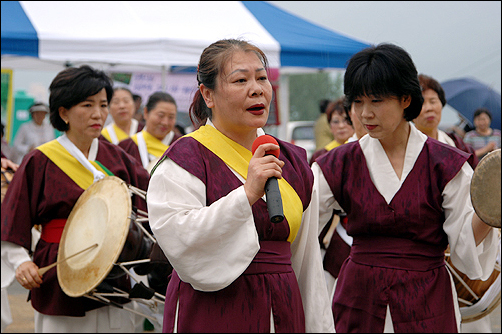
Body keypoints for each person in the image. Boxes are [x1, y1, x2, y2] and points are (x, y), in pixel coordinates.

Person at [147, 38, 334, 333]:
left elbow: (307, 262)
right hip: (214, 312)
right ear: (208, 95)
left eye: (262, 78)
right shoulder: (187, 157)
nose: (257, 88)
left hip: (284, 307)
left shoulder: (295, 162)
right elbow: (179, 239)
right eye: (240, 80)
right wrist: (246, 195)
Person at [312, 43, 499, 333]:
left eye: (376, 101)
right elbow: (301, 228)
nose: (364, 114)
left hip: (427, 298)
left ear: (405, 98)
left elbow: (465, 245)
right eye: (357, 102)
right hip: (358, 299)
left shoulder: (446, 162)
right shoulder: (337, 163)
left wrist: (490, 209)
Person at [1, 65, 150, 333]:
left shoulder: (118, 158)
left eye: (103, 104)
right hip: (59, 270)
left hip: (113, 269)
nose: (98, 114)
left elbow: (151, 204)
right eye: (87, 104)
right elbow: (12, 220)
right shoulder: (40, 160)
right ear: (63, 112)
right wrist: (20, 262)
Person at [416, 74, 499, 333]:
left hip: (462, 240)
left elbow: (479, 193)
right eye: (423, 102)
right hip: (426, 256)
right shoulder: (407, 151)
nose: (430, 107)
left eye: (434, 101)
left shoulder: (458, 145)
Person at [118, 91, 181, 171]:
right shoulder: (126, 147)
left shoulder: (181, 145)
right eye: (160, 115)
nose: (165, 122)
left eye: (171, 117)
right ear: (146, 112)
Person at [309, 97, 354, 166]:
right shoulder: (319, 156)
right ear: (329, 126)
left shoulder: (361, 150)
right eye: (336, 121)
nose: (341, 126)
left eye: (345, 120)